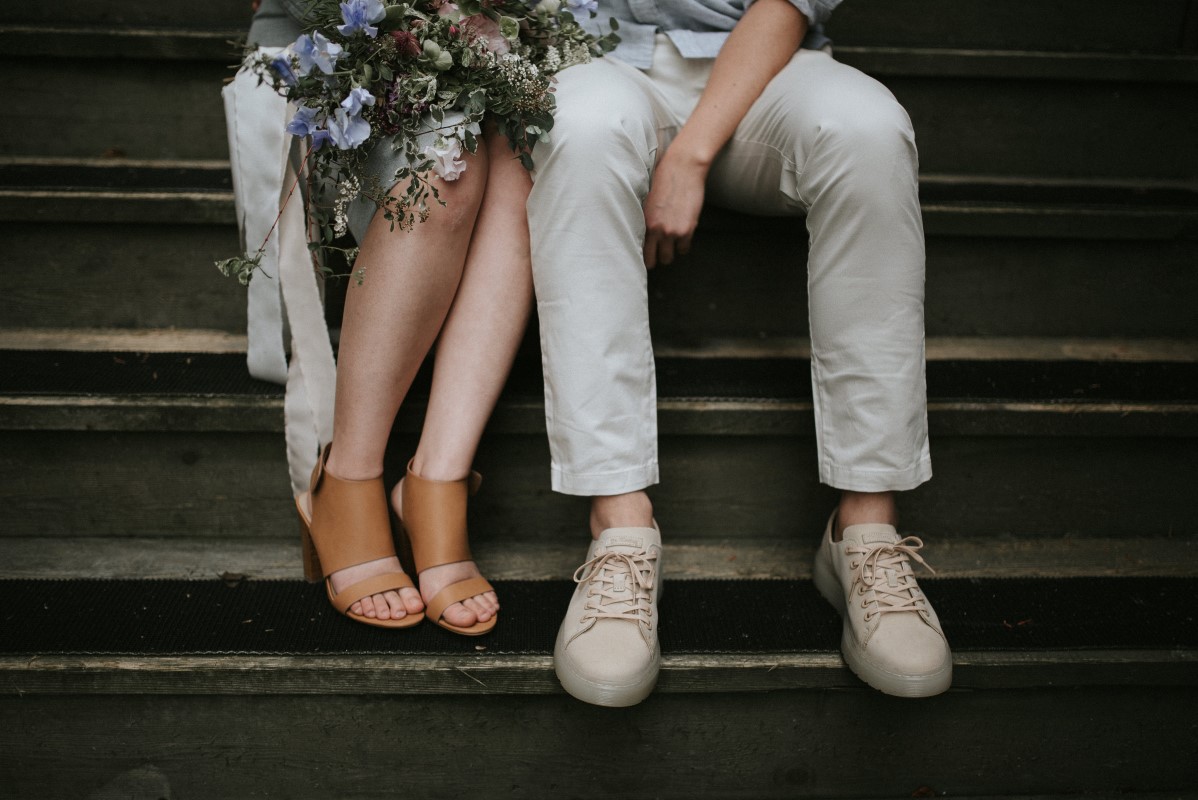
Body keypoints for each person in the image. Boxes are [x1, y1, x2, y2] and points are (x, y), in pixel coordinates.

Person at [529, 0, 953, 702]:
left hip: (766, 70)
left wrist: (691, 154)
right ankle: (620, 530)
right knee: (578, 131)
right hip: (604, 57)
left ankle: (865, 531)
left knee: (870, 132)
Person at [244, 0, 532, 633]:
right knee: (445, 162)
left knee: (528, 155)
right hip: (332, 56)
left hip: (481, 48)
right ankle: (346, 476)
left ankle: (436, 477)